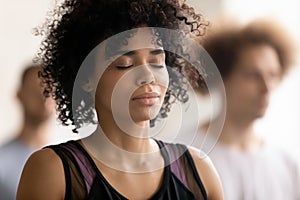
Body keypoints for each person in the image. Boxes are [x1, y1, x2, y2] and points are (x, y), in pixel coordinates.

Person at [17, 0, 223, 199]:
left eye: (157, 62)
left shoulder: (198, 172)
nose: (148, 76)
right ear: (86, 78)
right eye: (125, 64)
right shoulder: (52, 172)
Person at [193, 19, 300, 200]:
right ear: (221, 78)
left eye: (273, 75)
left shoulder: (285, 164)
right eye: (253, 75)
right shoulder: (184, 155)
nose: (267, 87)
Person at [0, 64, 54, 200]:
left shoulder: (71, 159)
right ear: (19, 95)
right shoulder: (3, 160)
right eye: (35, 91)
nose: (43, 98)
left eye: (48, 92)